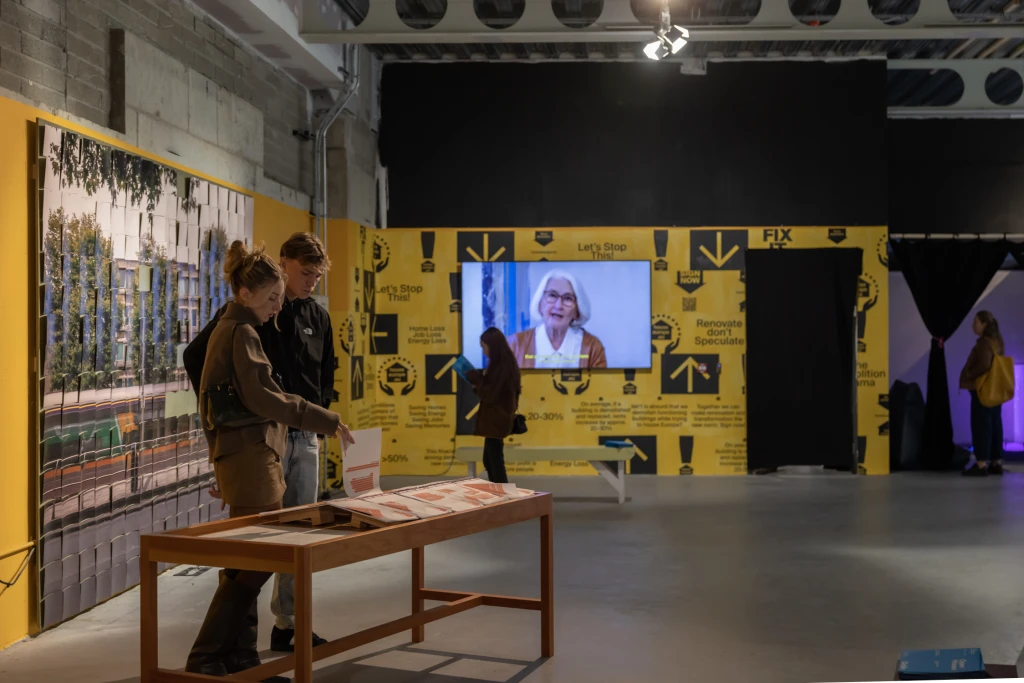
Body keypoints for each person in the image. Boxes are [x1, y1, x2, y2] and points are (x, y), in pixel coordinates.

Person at [185, 241, 354, 678]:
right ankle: (206, 655)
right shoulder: (241, 332)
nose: (278, 307)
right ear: (246, 294)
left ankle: (239, 656)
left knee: (250, 558)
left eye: (280, 298)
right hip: (251, 458)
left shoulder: (236, 326)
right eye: (272, 298)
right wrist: (326, 419)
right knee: (260, 559)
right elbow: (267, 398)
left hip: (251, 455)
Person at [507, 269, 607, 369]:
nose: (558, 306)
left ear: (577, 310)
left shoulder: (593, 348)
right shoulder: (514, 345)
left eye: (568, 298)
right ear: (540, 303)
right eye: (552, 295)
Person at [467, 328, 522, 484]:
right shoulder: (505, 364)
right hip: (498, 420)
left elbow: (489, 394)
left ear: (493, 346)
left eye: (484, 347)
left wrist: (475, 378)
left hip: (496, 420)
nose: (484, 351)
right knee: (490, 460)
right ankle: (500, 493)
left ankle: (503, 495)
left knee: (494, 462)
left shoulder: (500, 367)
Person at [960, 310, 1006, 477]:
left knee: (981, 425)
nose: (973, 325)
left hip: (983, 390)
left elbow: (985, 365)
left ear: (984, 324)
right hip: (996, 390)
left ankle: (980, 464)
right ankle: (996, 461)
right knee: (995, 424)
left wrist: (968, 374)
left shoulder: (984, 343)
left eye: (976, 322)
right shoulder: (997, 341)